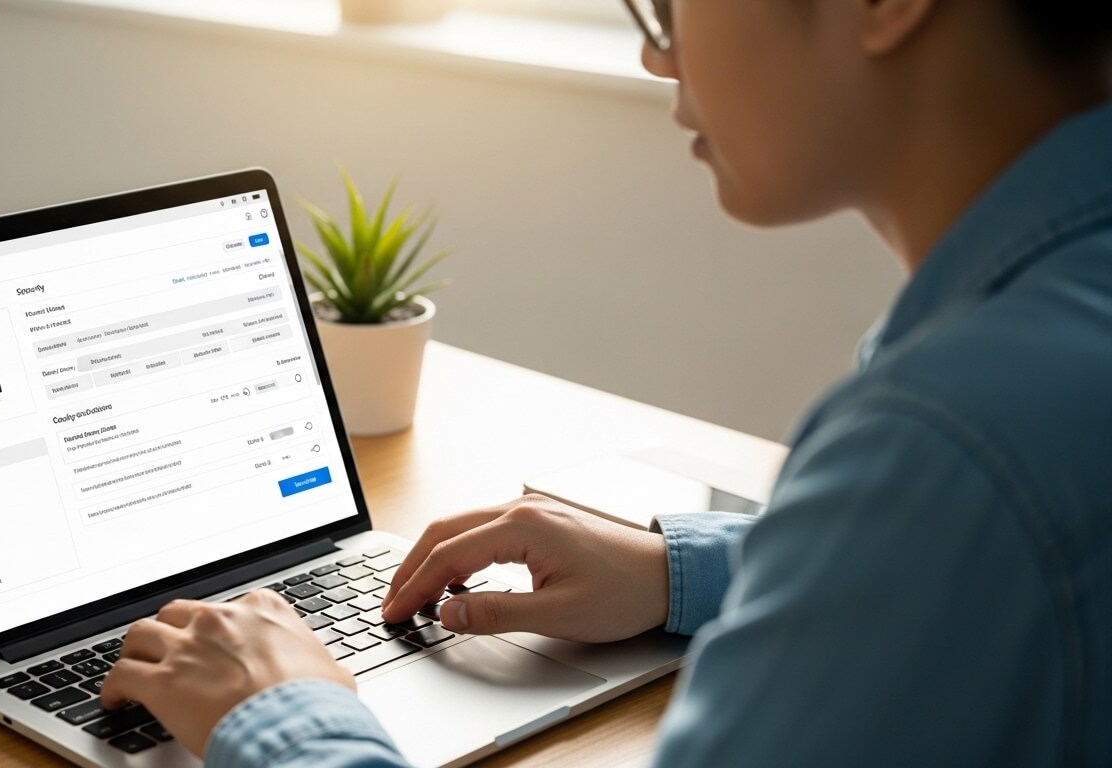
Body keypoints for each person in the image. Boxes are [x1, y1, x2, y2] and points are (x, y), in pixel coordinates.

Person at [101, 0, 1112, 764]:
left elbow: (956, 521)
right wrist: (684, 572)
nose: (656, 54)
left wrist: (282, 719)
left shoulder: (945, 441)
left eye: (666, 6)